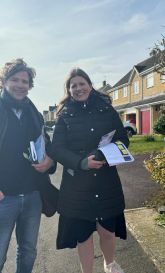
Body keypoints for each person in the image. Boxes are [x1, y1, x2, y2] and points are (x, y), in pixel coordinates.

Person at [0, 58, 58, 273]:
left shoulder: (34, 114)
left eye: (25, 81)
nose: (20, 85)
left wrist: (50, 162)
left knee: (28, 251)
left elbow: (47, 146)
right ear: (3, 82)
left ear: (30, 86)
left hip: (32, 196)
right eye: (14, 79)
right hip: (1, 198)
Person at [52, 68, 129, 273]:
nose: (78, 88)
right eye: (73, 85)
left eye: (81, 83)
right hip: (77, 184)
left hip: (105, 181)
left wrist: (101, 155)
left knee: (107, 230)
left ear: (90, 85)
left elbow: (123, 139)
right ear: (69, 90)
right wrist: (81, 163)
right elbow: (57, 149)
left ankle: (109, 264)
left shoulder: (107, 109)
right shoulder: (64, 115)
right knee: (83, 234)